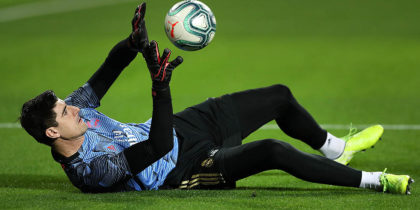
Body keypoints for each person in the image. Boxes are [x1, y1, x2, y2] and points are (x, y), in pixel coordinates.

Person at [19, 2, 413, 194]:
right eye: (67, 111)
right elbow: (156, 148)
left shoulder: (75, 114)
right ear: (54, 133)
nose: (76, 107)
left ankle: (335, 149)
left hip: (179, 129)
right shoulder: (91, 172)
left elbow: (106, 72)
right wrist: (161, 87)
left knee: (278, 96)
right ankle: (376, 182)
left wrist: (132, 44)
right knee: (273, 151)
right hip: (183, 170)